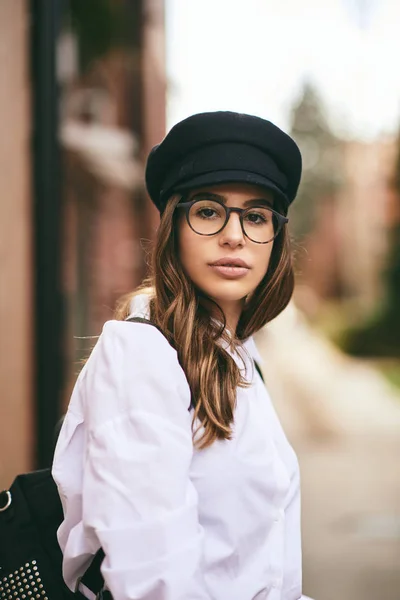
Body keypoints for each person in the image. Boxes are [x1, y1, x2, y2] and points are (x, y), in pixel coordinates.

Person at [52, 111, 313, 600]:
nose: (234, 235)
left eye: (256, 216)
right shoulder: (139, 354)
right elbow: (152, 580)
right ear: (174, 226)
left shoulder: (242, 359)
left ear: (276, 239)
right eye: (209, 211)